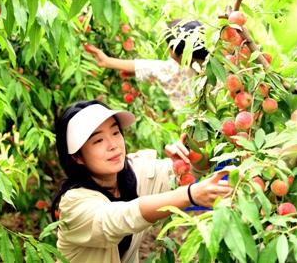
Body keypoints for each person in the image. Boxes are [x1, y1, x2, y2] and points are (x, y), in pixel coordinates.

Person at [51, 100, 232, 263]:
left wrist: (190, 152)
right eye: (98, 140)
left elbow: (190, 173)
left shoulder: (135, 172)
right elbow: (122, 217)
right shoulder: (72, 204)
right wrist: (190, 195)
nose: (113, 144)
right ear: (77, 158)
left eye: (115, 132)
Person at [85, 20, 209, 109]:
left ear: (183, 55)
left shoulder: (187, 72)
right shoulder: (216, 61)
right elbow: (152, 67)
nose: (168, 52)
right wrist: (107, 61)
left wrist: (107, 61)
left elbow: (157, 68)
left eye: (169, 48)